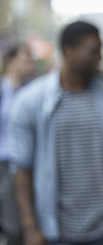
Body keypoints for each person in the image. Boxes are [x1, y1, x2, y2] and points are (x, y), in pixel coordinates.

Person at [10, 21, 103, 245]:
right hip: (58, 230)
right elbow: (22, 169)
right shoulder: (30, 102)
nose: (100, 57)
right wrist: (31, 227)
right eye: (93, 51)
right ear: (69, 51)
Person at [0, 43, 35, 245]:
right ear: (11, 62)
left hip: (29, 163)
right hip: (5, 164)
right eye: (25, 59)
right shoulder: (3, 91)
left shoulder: (33, 91)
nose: (30, 64)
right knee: (12, 224)